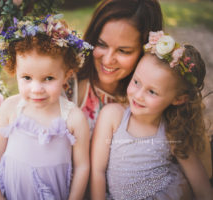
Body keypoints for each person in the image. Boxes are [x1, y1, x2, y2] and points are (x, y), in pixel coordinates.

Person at [90, 31, 213, 200]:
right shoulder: (113, 116)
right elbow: (97, 170)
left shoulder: (172, 129)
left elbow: (202, 186)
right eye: (136, 82)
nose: (138, 95)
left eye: (152, 91)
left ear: (178, 99)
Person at [0, 15, 91, 199]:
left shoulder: (73, 117)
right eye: (27, 77)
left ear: (66, 75)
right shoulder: (10, 108)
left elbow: (82, 166)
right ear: (15, 71)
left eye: (48, 78)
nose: (36, 89)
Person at [63, 0, 163, 135]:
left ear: (144, 51)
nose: (108, 60)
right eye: (101, 44)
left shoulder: (152, 101)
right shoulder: (65, 85)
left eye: (123, 51)